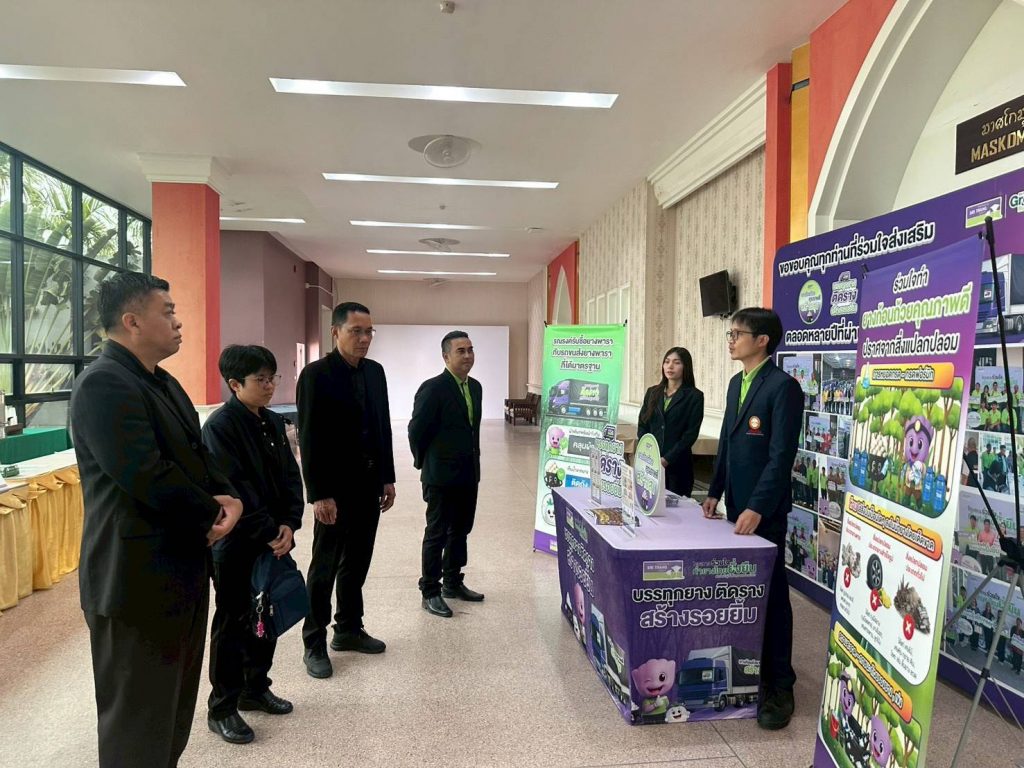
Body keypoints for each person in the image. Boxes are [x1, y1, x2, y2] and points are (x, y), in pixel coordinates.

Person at [70, 273, 243, 767]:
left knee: (169, 714)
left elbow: (196, 454)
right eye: (167, 312)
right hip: (134, 581)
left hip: (179, 570)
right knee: (137, 723)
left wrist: (228, 496)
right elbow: (145, 474)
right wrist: (212, 510)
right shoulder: (104, 383)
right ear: (131, 321)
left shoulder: (161, 380)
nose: (178, 321)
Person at [702, 307, 803, 731]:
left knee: (773, 595)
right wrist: (714, 491)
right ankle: (749, 667)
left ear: (762, 340)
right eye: (730, 334)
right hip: (736, 507)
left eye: (737, 334)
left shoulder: (783, 388)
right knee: (743, 591)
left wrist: (758, 506)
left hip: (765, 511)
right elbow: (728, 441)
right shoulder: (735, 383)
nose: (731, 340)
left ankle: (780, 685)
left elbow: (781, 457)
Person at [201, 345, 305, 744]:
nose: (269, 386)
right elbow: (232, 488)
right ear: (234, 384)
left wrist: (290, 523)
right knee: (234, 622)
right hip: (237, 543)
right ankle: (222, 707)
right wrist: (268, 530)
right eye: (260, 379)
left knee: (267, 614)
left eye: (272, 377)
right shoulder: (221, 427)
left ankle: (255, 688)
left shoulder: (273, 422)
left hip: (274, 539)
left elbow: (291, 477)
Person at [297, 301, 396, 679]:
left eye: (369, 331)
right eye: (356, 331)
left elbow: (382, 426)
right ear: (335, 332)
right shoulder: (316, 375)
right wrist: (319, 494)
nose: (364, 338)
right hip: (333, 492)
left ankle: (349, 628)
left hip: (367, 486)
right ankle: (314, 641)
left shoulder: (375, 372)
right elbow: (309, 437)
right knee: (324, 567)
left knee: (357, 562)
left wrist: (387, 477)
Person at [408, 331, 485, 618]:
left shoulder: (475, 387)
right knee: (437, 533)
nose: (467, 355)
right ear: (445, 356)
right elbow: (416, 431)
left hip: (468, 474)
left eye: (470, 350)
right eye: (460, 351)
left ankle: (452, 581)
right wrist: (426, 464)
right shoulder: (433, 388)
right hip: (440, 476)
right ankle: (430, 590)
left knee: (461, 530)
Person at [637, 347, 705, 497]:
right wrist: (648, 453)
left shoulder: (694, 396)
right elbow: (643, 425)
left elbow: (690, 435)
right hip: (650, 464)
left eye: (676, 362)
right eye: (667, 362)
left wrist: (667, 459)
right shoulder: (652, 392)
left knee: (675, 508)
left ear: (685, 367)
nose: (670, 366)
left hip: (678, 468)